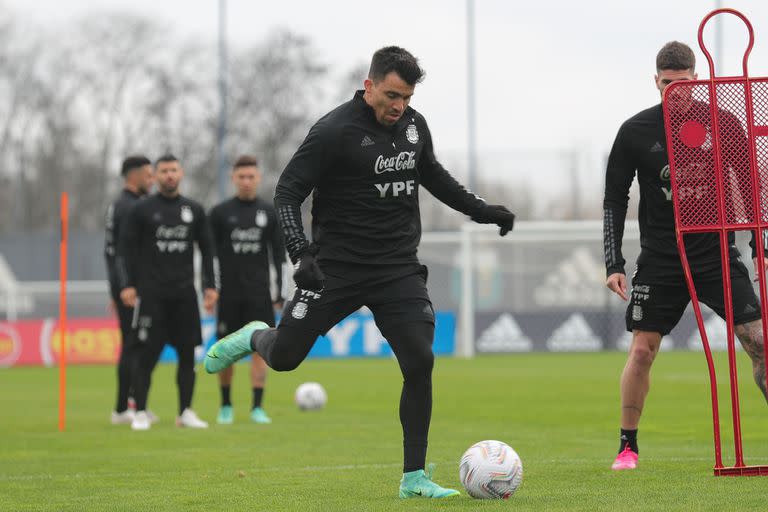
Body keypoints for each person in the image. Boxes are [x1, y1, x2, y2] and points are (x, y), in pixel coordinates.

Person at [204, 46, 515, 498]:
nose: (399, 106)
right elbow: (287, 193)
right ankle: (254, 335)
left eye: (407, 97)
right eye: (392, 95)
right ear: (368, 85)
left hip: (397, 268)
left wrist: (481, 210)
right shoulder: (333, 131)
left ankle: (414, 479)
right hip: (335, 269)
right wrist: (301, 254)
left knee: (419, 360)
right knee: (285, 358)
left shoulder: (413, 125)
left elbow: (432, 174)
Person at [603, 41, 768, 471]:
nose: (677, 92)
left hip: (715, 251)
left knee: (760, 344)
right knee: (642, 350)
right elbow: (614, 199)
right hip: (661, 257)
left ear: (697, 81)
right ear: (655, 82)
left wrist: (759, 247)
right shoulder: (635, 131)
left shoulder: (725, 123)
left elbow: (751, 187)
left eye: (685, 85)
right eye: (667, 85)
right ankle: (627, 447)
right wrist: (614, 262)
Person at [117, 154, 219, 431]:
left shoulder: (194, 210)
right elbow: (124, 250)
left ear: (181, 173)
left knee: (188, 354)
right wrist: (127, 285)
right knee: (145, 356)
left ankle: (185, 412)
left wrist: (210, 286)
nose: (169, 175)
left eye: (173, 170)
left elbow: (208, 249)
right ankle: (139, 412)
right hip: (152, 296)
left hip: (185, 295)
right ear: (156, 176)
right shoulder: (141, 210)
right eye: (163, 171)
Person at [208, 155, 285, 425]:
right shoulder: (219, 213)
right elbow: (208, 254)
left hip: (259, 295)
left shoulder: (268, 212)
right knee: (227, 349)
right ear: (233, 179)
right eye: (241, 176)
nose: (246, 181)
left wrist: (279, 292)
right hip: (229, 294)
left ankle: (256, 407)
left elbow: (278, 255)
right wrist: (210, 288)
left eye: (251, 176)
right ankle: (226, 405)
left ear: (258, 178)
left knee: (260, 350)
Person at [105, 155, 154, 425]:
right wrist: (125, 287)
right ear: (133, 176)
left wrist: (115, 288)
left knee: (135, 344)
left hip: (125, 286)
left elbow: (109, 253)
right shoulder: (131, 207)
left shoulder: (119, 205)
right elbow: (122, 253)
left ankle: (132, 404)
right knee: (133, 346)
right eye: (148, 175)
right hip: (132, 288)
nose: (152, 180)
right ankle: (124, 408)